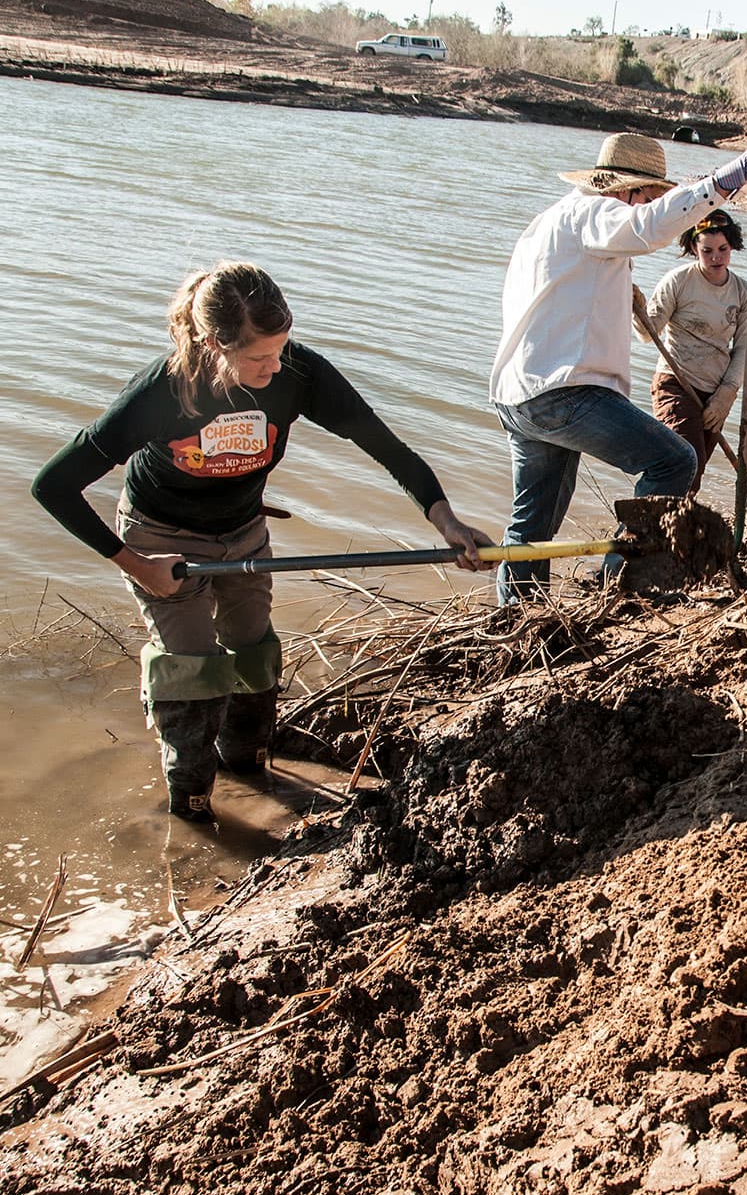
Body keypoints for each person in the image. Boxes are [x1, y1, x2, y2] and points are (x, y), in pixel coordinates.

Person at [31, 261, 496, 822]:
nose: (275, 368)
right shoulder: (164, 392)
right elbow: (52, 485)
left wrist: (444, 520)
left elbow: (384, 445)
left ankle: (250, 770)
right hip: (161, 541)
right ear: (212, 345)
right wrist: (135, 564)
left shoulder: (298, 373)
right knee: (191, 667)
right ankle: (194, 807)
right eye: (257, 358)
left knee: (254, 651)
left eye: (280, 351)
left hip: (244, 531)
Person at [489, 132, 747, 603]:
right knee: (675, 460)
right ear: (625, 190)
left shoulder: (551, 223)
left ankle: (516, 618)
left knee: (532, 522)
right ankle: (619, 586)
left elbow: (559, 292)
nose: (647, 205)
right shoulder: (596, 211)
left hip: (517, 392)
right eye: (647, 196)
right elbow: (648, 227)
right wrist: (728, 179)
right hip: (564, 392)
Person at [638, 208, 747, 494]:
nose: (716, 257)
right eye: (707, 250)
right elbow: (646, 334)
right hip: (676, 383)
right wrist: (637, 311)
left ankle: (670, 527)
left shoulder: (741, 291)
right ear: (693, 247)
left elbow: (744, 347)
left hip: (715, 394)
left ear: (732, 246)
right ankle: (649, 527)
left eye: (723, 249)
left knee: (693, 477)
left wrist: (728, 393)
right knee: (685, 464)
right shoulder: (678, 281)